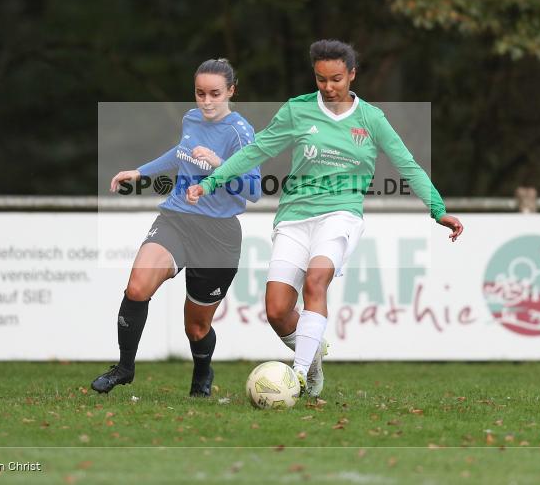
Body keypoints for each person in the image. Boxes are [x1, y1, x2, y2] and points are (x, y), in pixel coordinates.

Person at [187, 40, 463, 398]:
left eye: (336, 79)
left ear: (351, 74)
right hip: (294, 218)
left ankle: (297, 377)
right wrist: (211, 183)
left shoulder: (371, 119)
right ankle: (314, 361)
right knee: (277, 310)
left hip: (341, 214)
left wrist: (438, 209)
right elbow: (256, 151)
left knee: (316, 282)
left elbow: (406, 164)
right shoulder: (297, 112)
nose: (329, 87)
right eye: (321, 80)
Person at [92, 58, 261, 397]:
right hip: (177, 218)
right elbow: (180, 153)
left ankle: (202, 372)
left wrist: (220, 165)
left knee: (196, 327)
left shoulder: (240, 132)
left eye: (215, 93)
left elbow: (254, 191)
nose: (207, 101)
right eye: (200, 93)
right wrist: (141, 172)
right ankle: (124, 368)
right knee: (138, 287)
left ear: (231, 91)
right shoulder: (191, 118)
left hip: (218, 234)